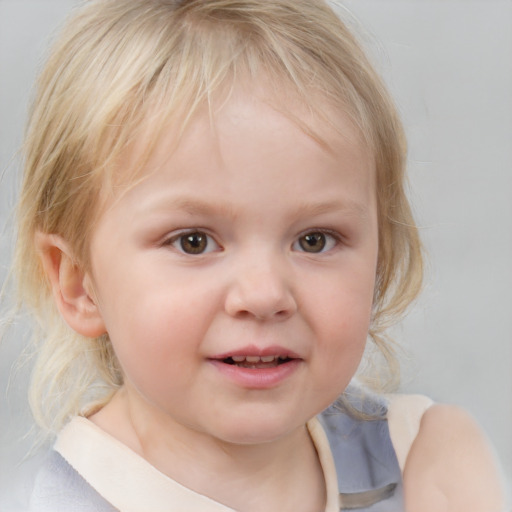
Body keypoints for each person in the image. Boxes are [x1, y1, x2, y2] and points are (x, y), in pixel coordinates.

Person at [12, 0, 505, 510]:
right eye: (193, 241)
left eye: (314, 240)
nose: (265, 294)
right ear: (78, 283)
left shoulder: (425, 461)